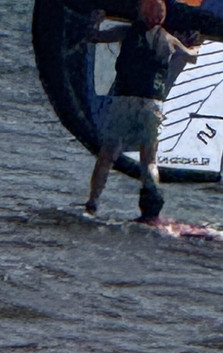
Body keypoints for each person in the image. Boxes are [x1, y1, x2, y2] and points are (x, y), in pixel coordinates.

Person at [85, 0, 199, 221]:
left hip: (124, 101)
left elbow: (93, 37)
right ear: (162, 18)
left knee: (107, 155)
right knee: (149, 160)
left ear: (140, 12)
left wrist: (96, 20)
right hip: (151, 104)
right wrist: (195, 41)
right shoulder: (170, 41)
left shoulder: (125, 32)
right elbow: (193, 57)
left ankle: (92, 203)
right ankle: (151, 209)